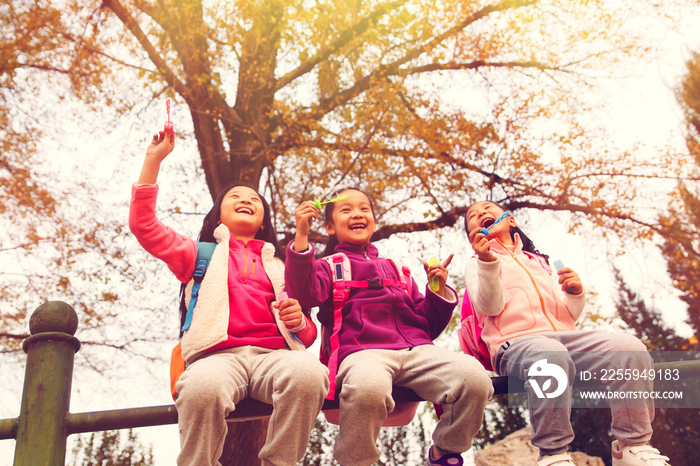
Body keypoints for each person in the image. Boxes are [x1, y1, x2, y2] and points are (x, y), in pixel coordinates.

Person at [128, 129, 329, 466]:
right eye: (235, 196)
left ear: (264, 220)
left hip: (274, 358)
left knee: (309, 373)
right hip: (217, 359)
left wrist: (301, 321)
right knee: (201, 388)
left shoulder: (281, 265)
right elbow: (144, 225)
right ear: (218, 214)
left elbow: (305, 335)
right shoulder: (198, 255)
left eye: (254, 200)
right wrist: (153, 159)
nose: (246, 200)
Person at [284, 187, 493, 466]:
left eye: (364, 209)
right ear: (329, 227)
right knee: (368, 385)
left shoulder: (398, 269)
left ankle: (446, 450)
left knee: (474, 377)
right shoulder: (327, 266)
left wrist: (438, 293)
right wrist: (301, 237)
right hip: (361, 352)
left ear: (373, 220)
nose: (357, 213)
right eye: (346, 210)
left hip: (416, 350)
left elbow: (426, 326)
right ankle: (355, 461)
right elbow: (303, 292)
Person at [463, 200, 671, 466]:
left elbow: (566, 315)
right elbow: (490, 306)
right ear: (472, 233)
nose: (480, 213)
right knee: (551, 355)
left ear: (510, 220)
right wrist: (487, 262)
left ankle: (631, 447)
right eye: (472, 215)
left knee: (629, 348)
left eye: (486, 208)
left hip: (564, 341)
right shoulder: (476, 263)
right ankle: (553, 455)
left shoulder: (540, 262)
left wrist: (575, 294)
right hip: (515, 346)